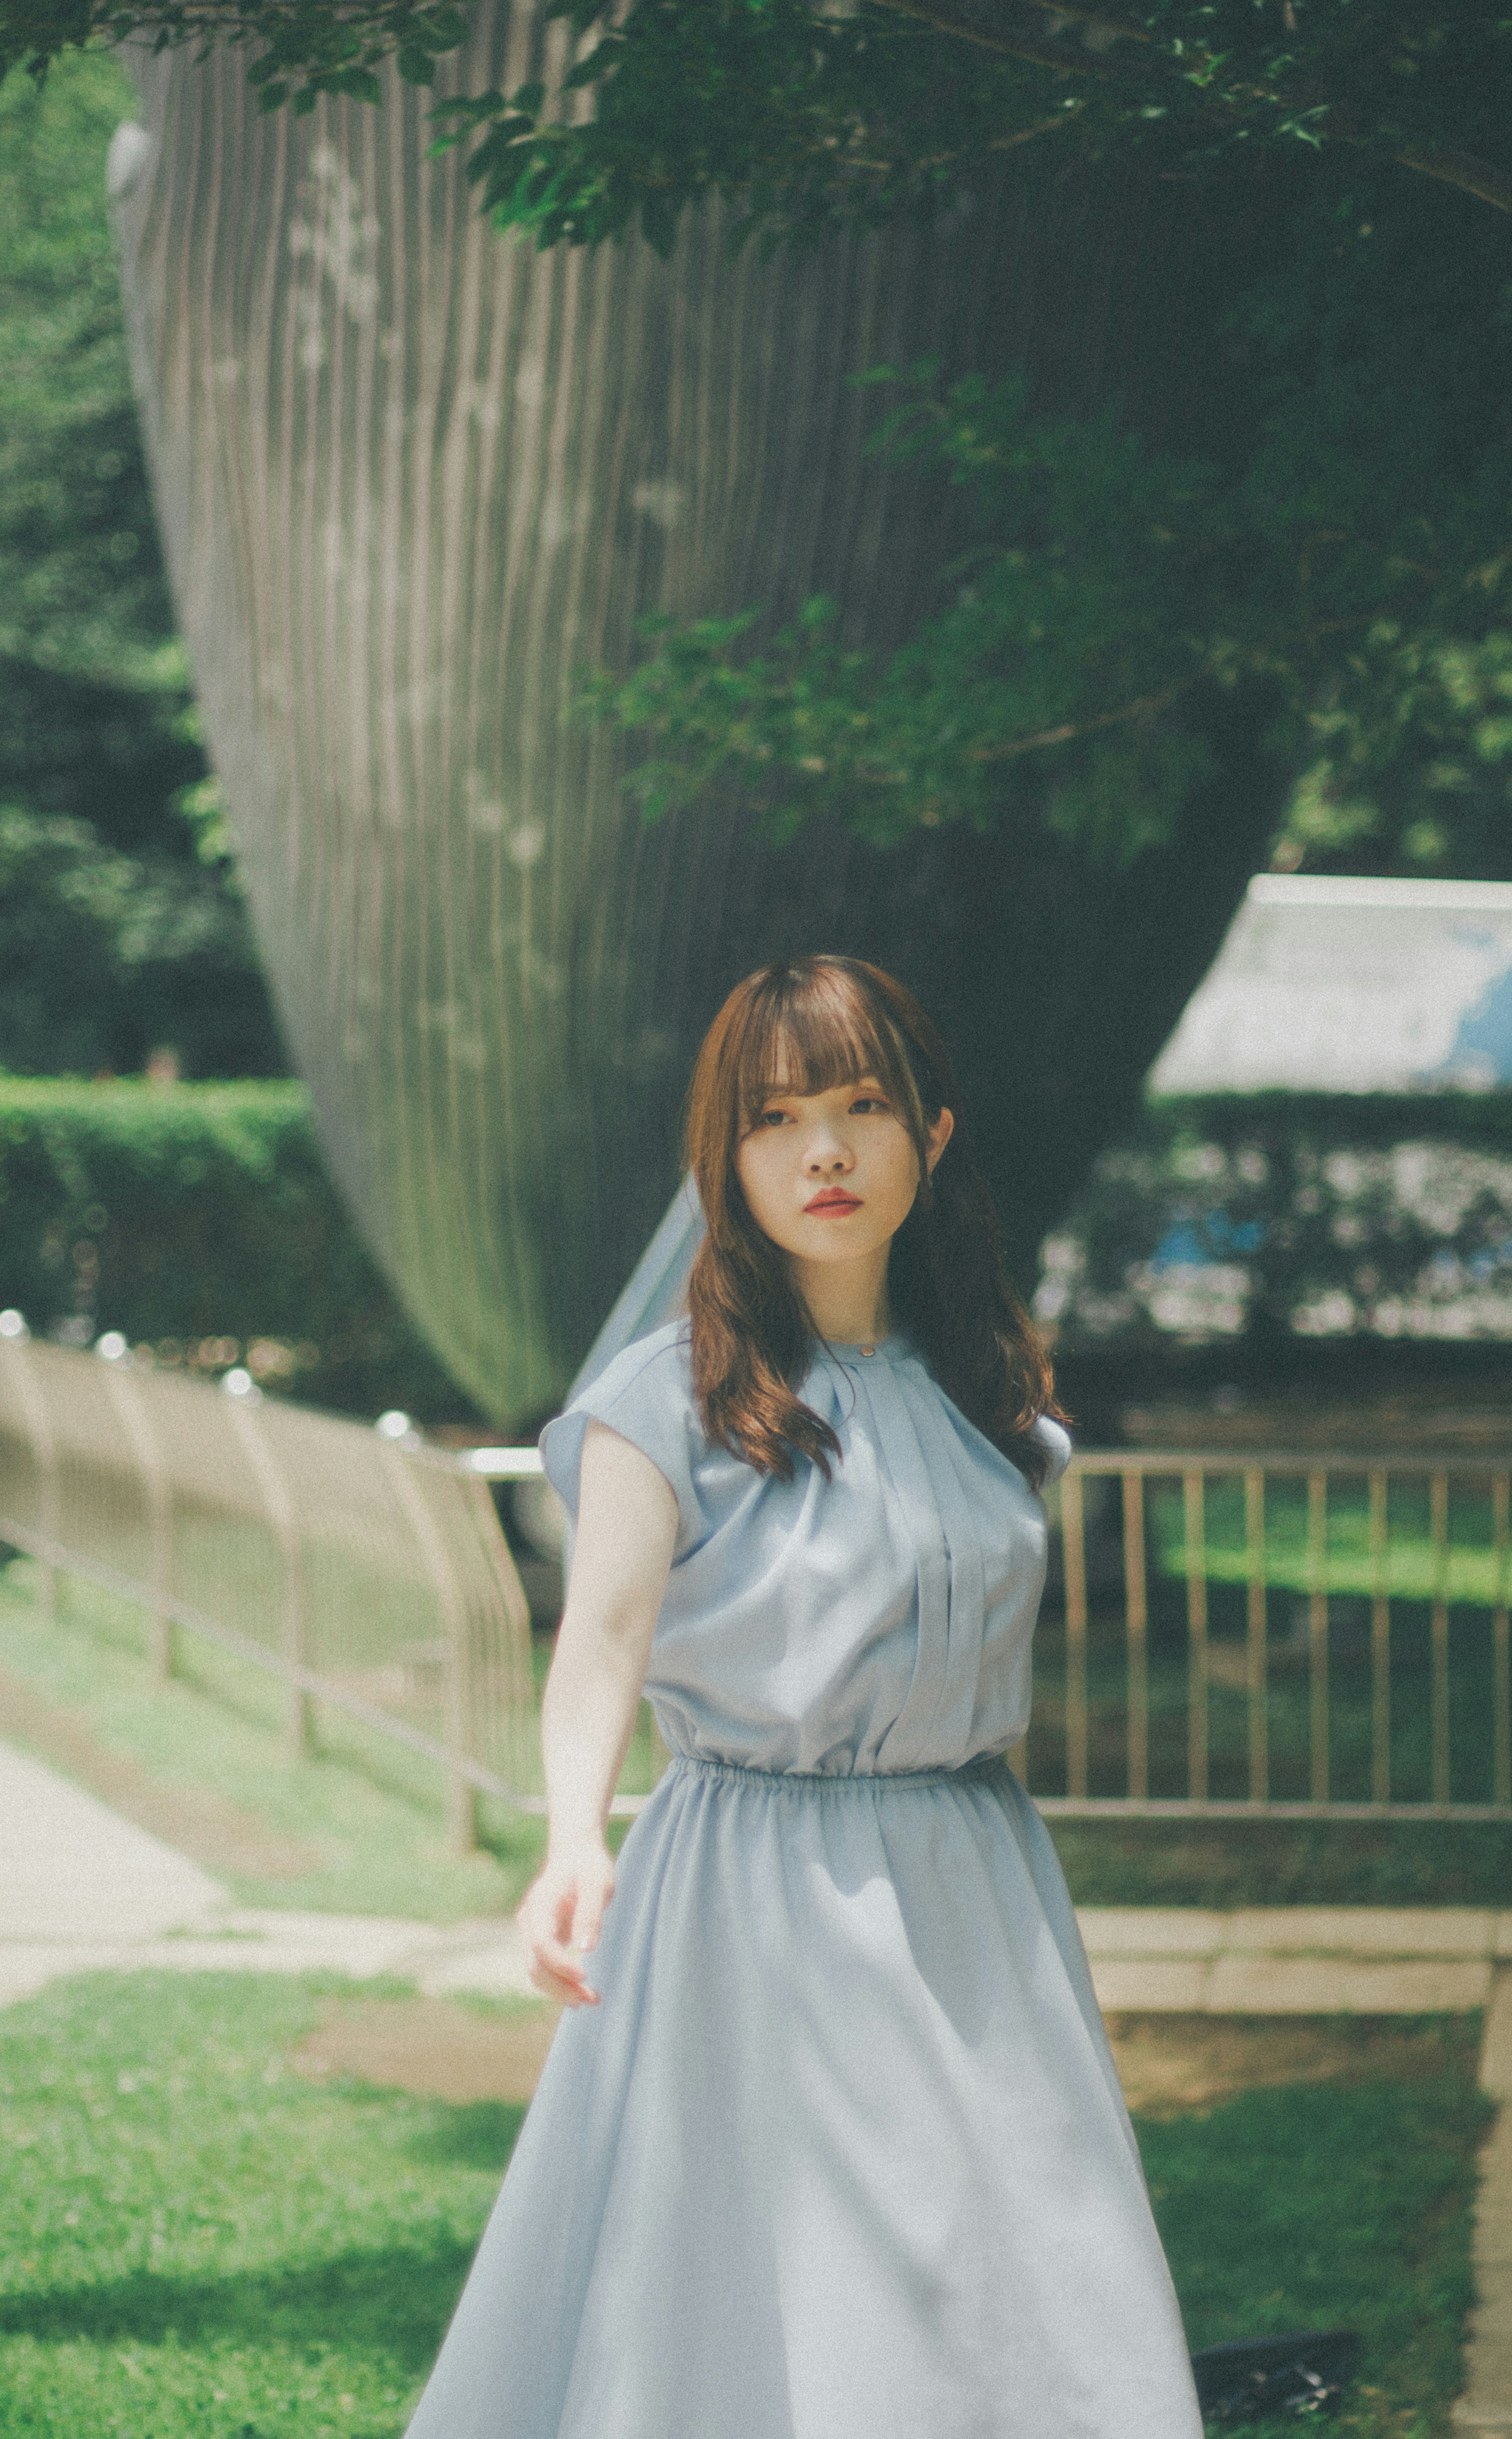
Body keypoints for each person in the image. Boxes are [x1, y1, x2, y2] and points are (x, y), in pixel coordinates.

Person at [404, 955, 1203, 2439]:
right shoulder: (671, 1401)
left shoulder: (987, 1390)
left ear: (934, 1135)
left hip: (975, 1876)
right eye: (775, 1119)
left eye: (860, 1106)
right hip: (761, 1888)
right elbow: (601, 1642)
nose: (824, 1151)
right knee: (799, 2274)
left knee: (1023, 2253)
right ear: (729, 1158)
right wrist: (575, 1839)